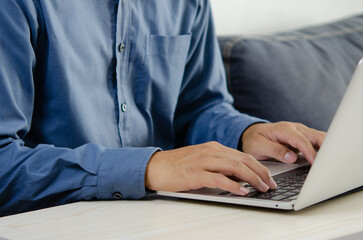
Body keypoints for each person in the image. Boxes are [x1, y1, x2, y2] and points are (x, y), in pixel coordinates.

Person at [0, 0, 325, 216]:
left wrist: (245, 134)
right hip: (55, 221)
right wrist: (148, 168)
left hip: (165, 215)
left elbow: (197, 106)